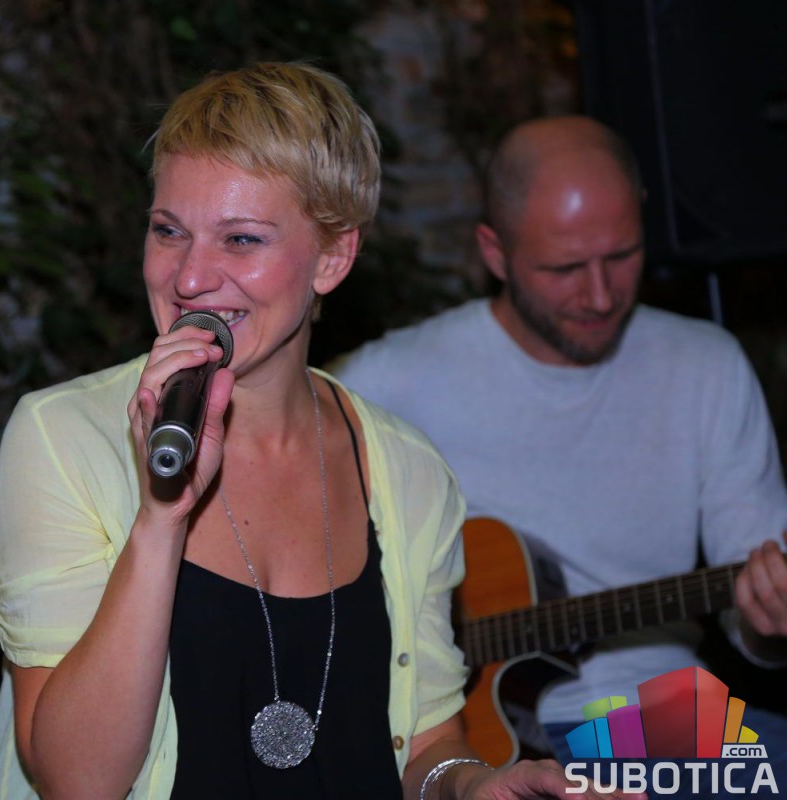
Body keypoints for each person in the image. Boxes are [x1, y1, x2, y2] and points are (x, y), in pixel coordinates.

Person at [0, 66, 624, 799]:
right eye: (168, 231)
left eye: (240, 239)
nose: (189, 278)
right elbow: (77, 782)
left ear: (333, 257)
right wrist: (160, 519)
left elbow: (428, 743)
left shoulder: (406, 469)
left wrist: (471, 787)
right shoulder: (62, 439)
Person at [333, 115, 787, 772]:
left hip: (661, 713)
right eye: (565, 267)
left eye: (622, 256)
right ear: (495, 254)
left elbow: (757, 612)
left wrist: (769, 623)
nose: (600, 295)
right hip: (469, 738)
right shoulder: (390, 380)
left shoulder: (707, 366)